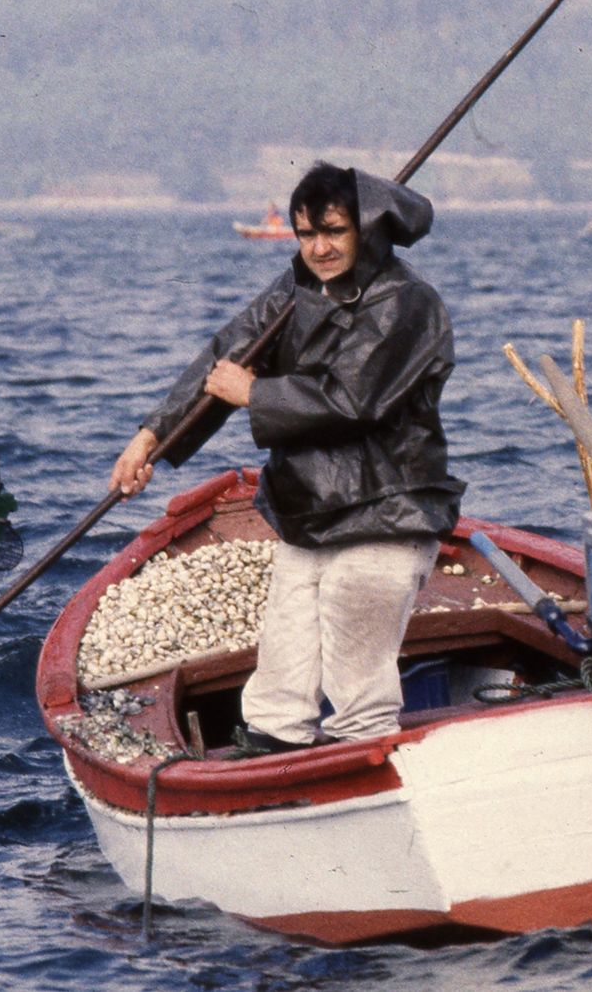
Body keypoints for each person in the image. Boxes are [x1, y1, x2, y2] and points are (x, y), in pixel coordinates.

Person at [110, 162, 463, 753]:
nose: (319, 248)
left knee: (359, 694)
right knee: (279, 688)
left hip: (386, 515)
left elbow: (355, 399)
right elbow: (227, 354)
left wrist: (253, 393)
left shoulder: (407, 303)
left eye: (334, 232)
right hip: (308, 515)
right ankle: (270, 765)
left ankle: (362, 786)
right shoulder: (294, 288)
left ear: (366, 229)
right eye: (307, 233)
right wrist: (153, 436)